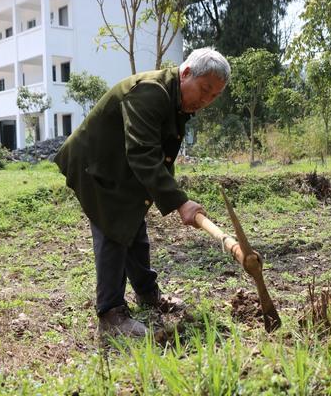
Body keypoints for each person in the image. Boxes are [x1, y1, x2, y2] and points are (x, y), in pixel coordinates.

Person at [54, 48, 230, 337]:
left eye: (213, 96)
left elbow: (162, 155)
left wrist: (172, 195)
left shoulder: (175, 100)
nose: (206, 100)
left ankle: (148, 294)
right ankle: (110, 314)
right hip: (96, 163)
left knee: (134, 226)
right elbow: (142, 153)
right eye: (204, 89)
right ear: (186, 73)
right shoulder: (151, 92)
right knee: (114, 227)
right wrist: (180, 201)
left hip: (121, 162)